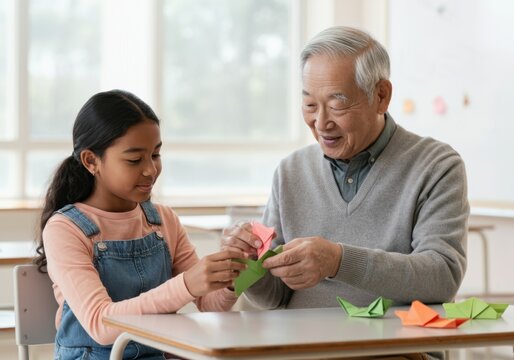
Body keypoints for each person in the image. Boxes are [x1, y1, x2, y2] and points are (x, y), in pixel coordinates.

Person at [222, 26, 469, 311]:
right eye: (310, 104)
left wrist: (339, 261)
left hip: (394, 350)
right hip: (300, 349)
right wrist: (245, 267)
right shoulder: (291, 171)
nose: (321, 122)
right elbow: (275, 295)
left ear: (381, 96)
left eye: (337, 106)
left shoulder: (436, 166)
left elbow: (442, 276)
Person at [34, 90, 246, 360]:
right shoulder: (65, 228)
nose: (150, 170)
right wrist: (186, 285)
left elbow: (209, 305)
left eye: (156, 155)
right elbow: (101, 323)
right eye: (134, 160)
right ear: (91, 161)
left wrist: (235, 276)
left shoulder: (163, 220)